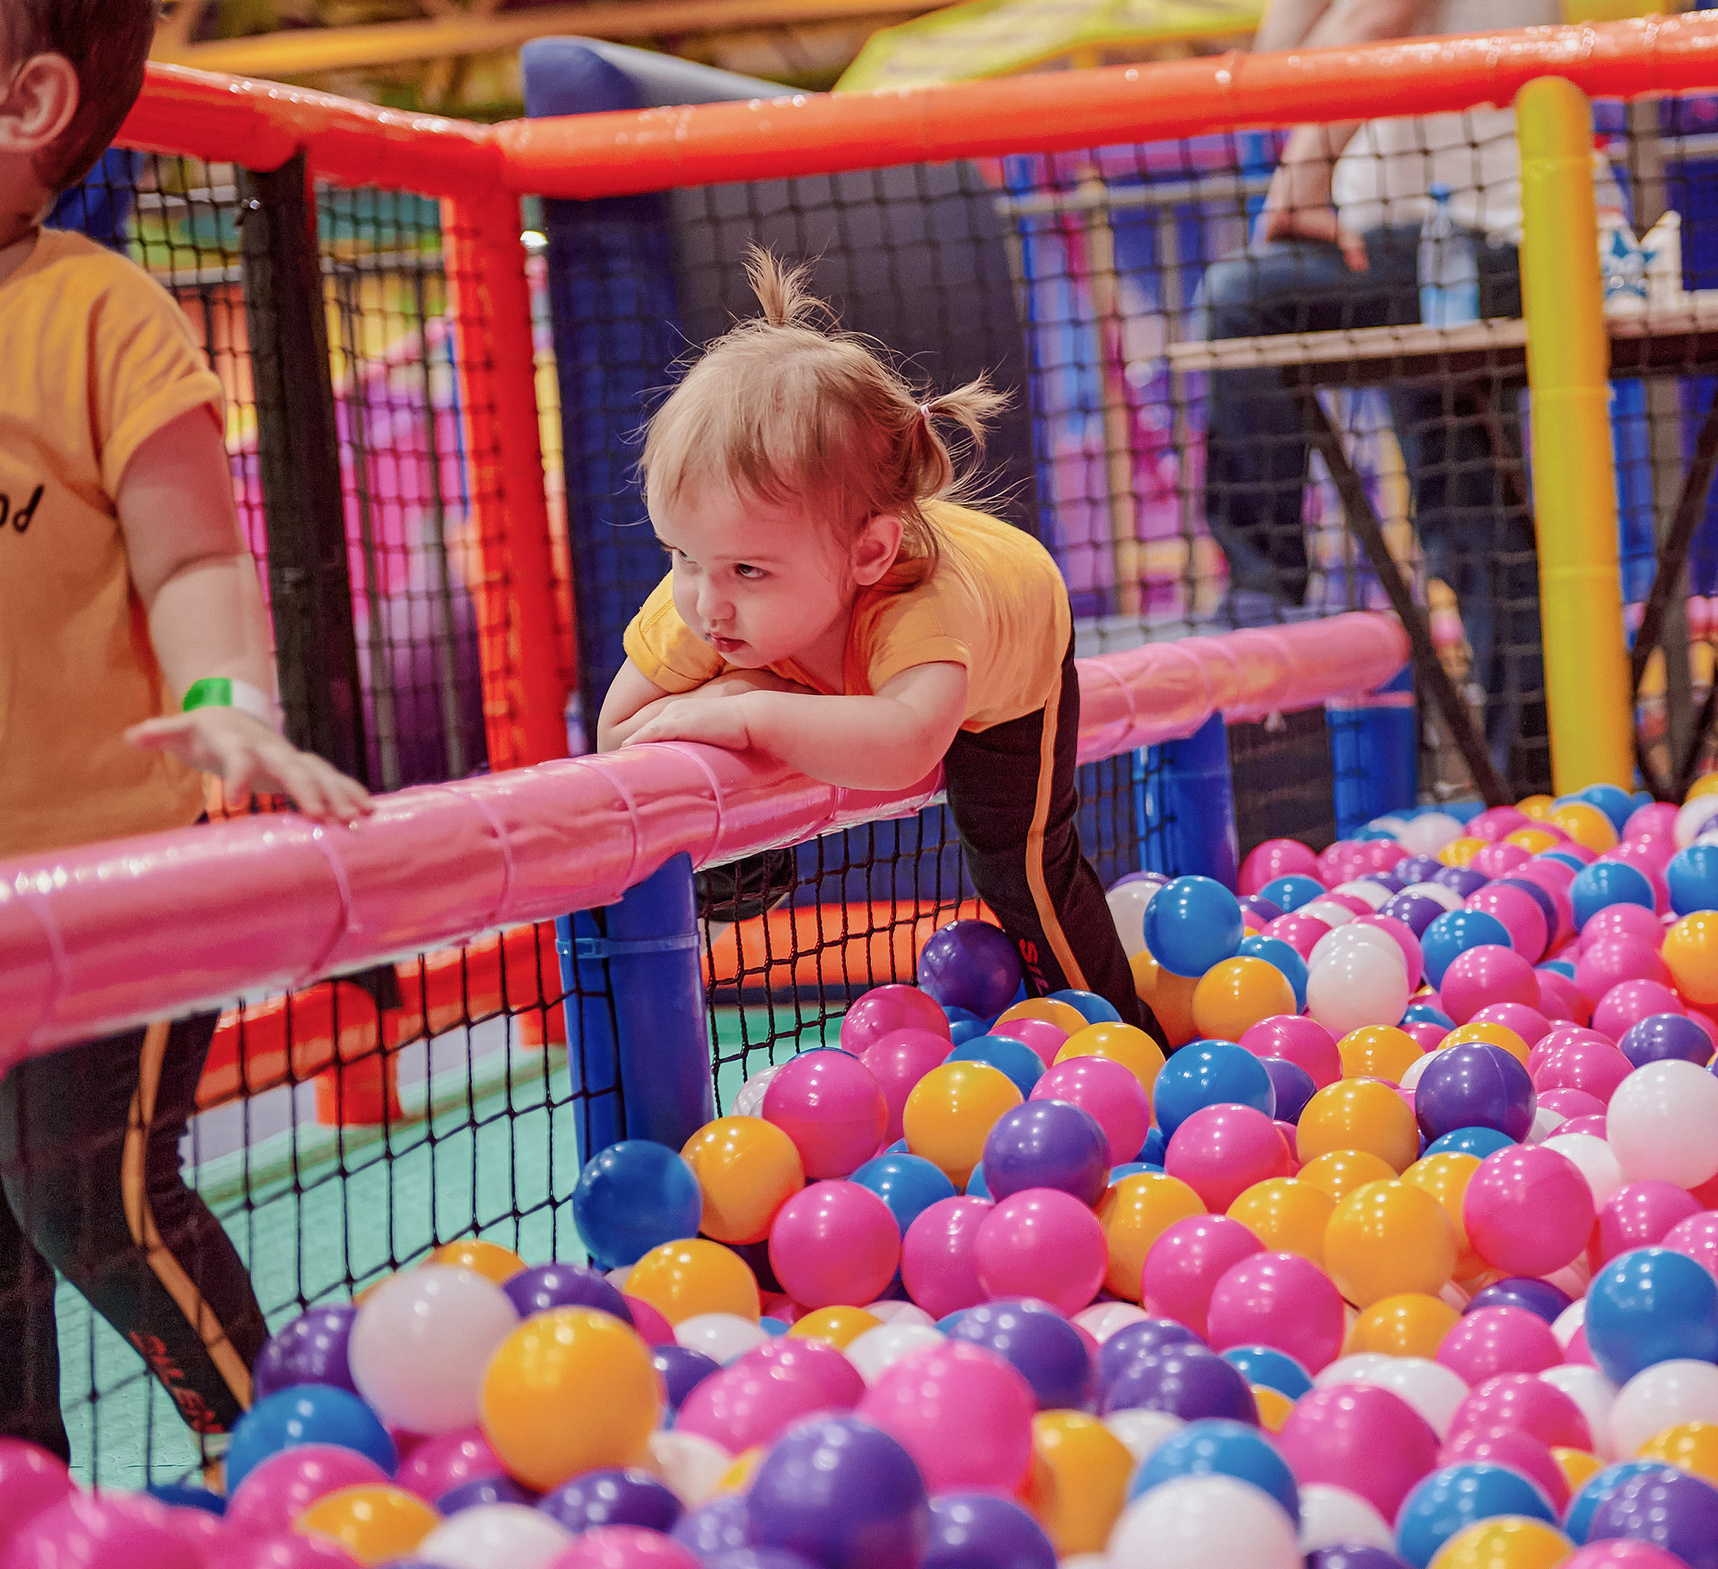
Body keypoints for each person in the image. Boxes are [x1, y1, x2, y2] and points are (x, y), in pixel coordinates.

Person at [0, 0, 372, 1464]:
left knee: (82, 1190)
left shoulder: (95, 314)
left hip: (127, 878)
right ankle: (27, 1514)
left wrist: (225, 701)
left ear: (28, 104)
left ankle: (277, 1449)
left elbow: (195, 561)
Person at [599, 249, 1166, 1045]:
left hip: (1014, 643)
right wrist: (730, 697)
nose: (705, 598)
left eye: (748, 569)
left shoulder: (919, 606)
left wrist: (754, 713)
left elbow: (907, 745)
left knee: (1020, 864)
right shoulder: (702, 600)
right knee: (700, 756)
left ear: (867, 555)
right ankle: (755, 870)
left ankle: (1126, 1042)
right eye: (681, 555)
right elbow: (617, 735)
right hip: (851, 670)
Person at [1200, 0, 1560, 790]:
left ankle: (1264, 594)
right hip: (1416, 249)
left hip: (1484, 241)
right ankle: (1535, 791)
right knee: (1472, 520)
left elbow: (1368, 21)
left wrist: (1297, 182)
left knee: (1246, 298)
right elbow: (1277, 64)